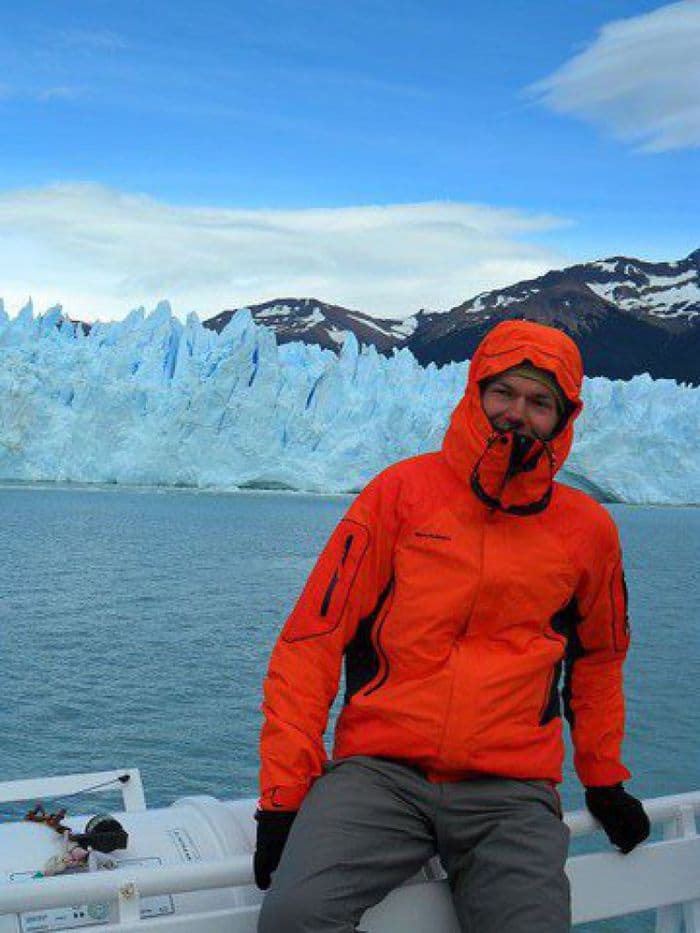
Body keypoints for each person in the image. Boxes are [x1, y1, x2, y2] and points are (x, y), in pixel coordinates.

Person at [254, 319, 650, 933]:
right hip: (381, 775)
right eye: (504, 393)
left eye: (539, 401)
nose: (517, 413)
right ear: (476, 392)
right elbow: (314, 638)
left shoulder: (587, 529)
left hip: (510, 794)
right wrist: (283, 797)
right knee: (294, 917)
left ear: (563, 415)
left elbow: (600, 658)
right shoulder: (400, 494)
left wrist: (603, 779)